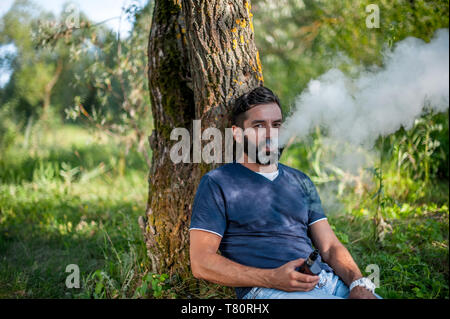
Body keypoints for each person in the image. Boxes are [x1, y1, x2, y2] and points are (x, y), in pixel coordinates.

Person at [189, 86, 381, 299]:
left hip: (329, 283)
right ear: (237, 133)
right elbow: (201, 263)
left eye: (276, 125)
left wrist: (359, 283)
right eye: (259, 125)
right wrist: (271, 278)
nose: (270, 134)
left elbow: (329, 246)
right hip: (269, 291)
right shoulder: (218, 183)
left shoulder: (301, 180)